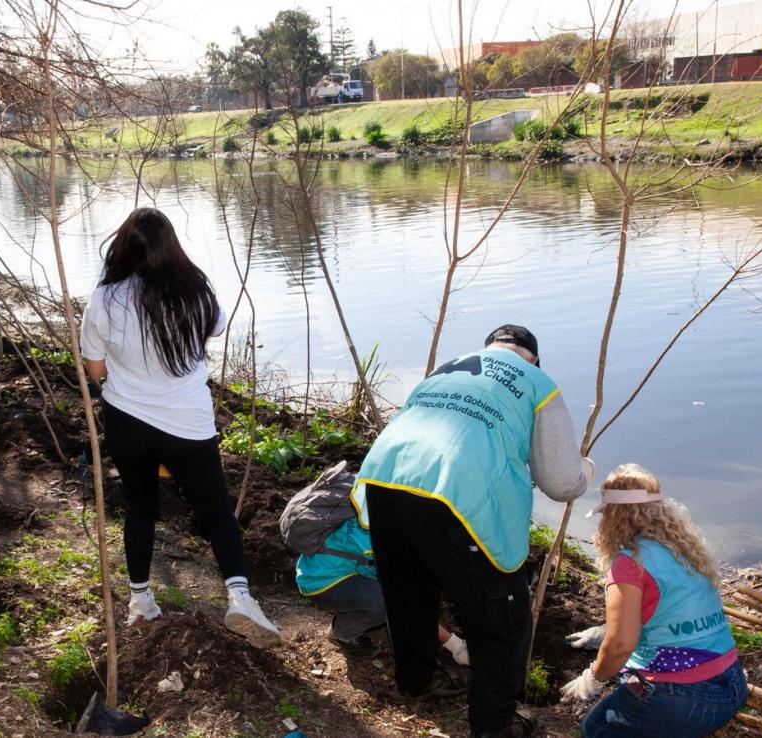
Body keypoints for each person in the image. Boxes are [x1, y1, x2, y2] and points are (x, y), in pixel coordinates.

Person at [350, 325, 594, 736]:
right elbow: (561, 482)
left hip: (385, 480)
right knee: (504, 618)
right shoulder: (538, 383)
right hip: (455, 493)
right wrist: (585, 468)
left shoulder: (443, 372)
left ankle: (416, 681)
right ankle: (494, 725)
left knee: (410, 593)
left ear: (490, 349)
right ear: (532, 358)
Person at [80, 207, 280, 649]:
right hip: (188, 424)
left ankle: (140, 601)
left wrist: (127, 380)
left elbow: (96, 368)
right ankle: (240, 596)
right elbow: (215, 328)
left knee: (141, 508)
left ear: (123, 246)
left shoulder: (105, 298)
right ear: (172, 245)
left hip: (128, 420)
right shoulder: (197, 291)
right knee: (216, 511)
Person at [559, 464, 746, 737]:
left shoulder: (628, 563)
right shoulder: (685, 551)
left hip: (684, 697)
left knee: (597, 728)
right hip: (732, 683)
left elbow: (622, 645)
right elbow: (669, 611)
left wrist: (594, 678)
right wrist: (602, 632)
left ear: (613, 515)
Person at [297, 504, 472, 665]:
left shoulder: (379, 510)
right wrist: (453, 644)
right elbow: (405, 605)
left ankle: (354, 606)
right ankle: (341, 633)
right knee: (385, 604)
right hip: (319, 581)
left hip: (316, 564)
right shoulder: (386, 546)